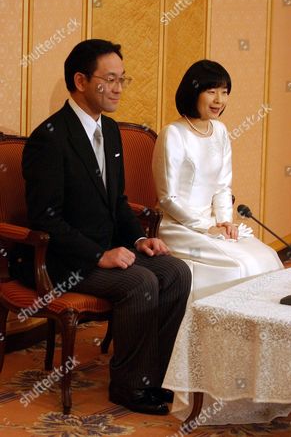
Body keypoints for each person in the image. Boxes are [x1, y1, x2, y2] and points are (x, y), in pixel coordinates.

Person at [19, 39, 191, 415]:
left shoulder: (110, 131)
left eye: (121, 79)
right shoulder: (49, 139)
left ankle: (154, 378)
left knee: (176, 271)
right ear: (81, 81)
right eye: (109, 79)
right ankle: (129, 387)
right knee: (141, 282)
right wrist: (99, 254)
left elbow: (116, 202)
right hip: (66, 263)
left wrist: (140, 239)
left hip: (110, 251)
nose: (117, 88)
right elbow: (45, 219)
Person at [152, 59, 283, 302]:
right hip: (180, 227)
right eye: (211, 91)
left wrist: (224, 222)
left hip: (213, 223)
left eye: (224, 92)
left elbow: (223, 185)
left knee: (266, 256)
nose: (219, 100)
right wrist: (205, 226)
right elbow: (167, 198)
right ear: (194, 92)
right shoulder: (173, 134)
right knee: (239, 265)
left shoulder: (220, 131)